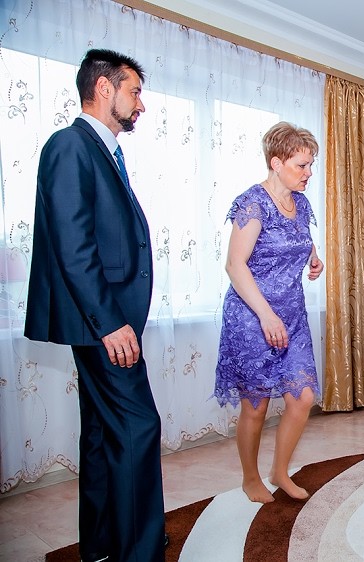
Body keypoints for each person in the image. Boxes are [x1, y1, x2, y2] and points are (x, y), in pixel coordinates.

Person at [24, 49, 165, 561]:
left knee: (104, 434)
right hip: (103, 324)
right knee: (138, 427)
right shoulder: (70, 145)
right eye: (135, 92)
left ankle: (102, 546)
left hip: (103, 321)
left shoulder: (101, 151)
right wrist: (109, 323)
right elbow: (74, 245)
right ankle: (139, 553)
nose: (141, 104)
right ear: (104, 89)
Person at [214, 122, 324, 504]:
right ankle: (250, 478)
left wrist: (313, 258)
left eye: (310, 165)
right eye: (301, 165)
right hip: (252, 316)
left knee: (303, 396)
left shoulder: (301, 203)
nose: (308, 173)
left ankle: (280, 470)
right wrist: (265, 315)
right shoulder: (253, 204)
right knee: (256, 405)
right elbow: (235, 265)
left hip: (292, 316)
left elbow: (299, 241)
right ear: (276, 163)